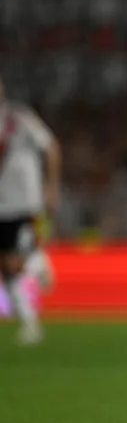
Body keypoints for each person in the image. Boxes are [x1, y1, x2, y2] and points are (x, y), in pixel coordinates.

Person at [0, 77, 60, 345]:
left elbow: (51, 148)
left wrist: (51, 186)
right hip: (0, 205)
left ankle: (37, 261)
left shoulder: (18, 118)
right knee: (6, 267)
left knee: (14, 262)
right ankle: (30, 326)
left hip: (25, 202)